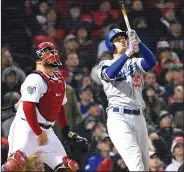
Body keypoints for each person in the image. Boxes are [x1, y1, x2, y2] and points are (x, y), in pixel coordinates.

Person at [2, 42, 88, 172]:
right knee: (15, 165)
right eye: (47, 51)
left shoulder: (60, 79)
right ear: (38, 58)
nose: (52, 53)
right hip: (26, 128)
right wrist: (38, 131)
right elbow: (28, 107)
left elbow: (60, 107)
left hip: (47, 131)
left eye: (53, 50)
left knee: (69, 167)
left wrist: (66, 131)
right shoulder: (34, 79)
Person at [98, 28, 156, 171]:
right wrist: (128, 53)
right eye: (117, 40)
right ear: (111, 46)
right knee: (136, 162)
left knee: (144, 166)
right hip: (119, 117)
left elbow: (151, 62)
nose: (122, 40)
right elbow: (110, 74)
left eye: (123, 38)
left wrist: (140, 44)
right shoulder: (105, 64)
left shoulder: (134, 62)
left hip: (139, 117)